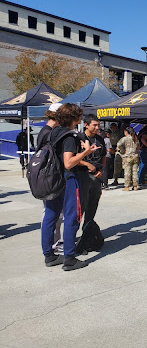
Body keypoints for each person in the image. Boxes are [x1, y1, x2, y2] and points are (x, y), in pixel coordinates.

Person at [41, 103, 99, 271]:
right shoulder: (69, 136)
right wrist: (86, 153)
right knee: (72, 218)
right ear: (75, 118)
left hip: (53, 180)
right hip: (68, 180)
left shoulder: (52, 133)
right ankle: (69, 258)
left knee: (50, 217)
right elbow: (68, 163)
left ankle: (49, 255)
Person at [37, 103, 63, 253]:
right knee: (51, 214)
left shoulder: (46, 131)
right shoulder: (48, 133)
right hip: (49, 177)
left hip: (48, 176)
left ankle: (53, 242)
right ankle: (51, 245)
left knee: (54, 214)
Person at [76, 115, 106, 236]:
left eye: (98, 125)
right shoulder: (78, 138)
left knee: (93, 205)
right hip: (82, 176)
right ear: (86, 125)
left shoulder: (100, 139)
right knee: (80, 207)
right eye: (94, 125)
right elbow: (71, 158)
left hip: (96, 177)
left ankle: (87, 231)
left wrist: (101, 169)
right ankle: (72, 236)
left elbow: (103, 156)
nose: (97, 128)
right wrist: (87, 164)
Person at [117, 127, 140, 191]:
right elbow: (138, 148)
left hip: (128, 156)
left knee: (127, 172)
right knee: (135, 172)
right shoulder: (136, 138)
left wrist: (122, 150)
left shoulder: (125, 138)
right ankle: (135, 186)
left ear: (126, 132)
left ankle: (127, 186)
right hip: (135, 156)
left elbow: (119, 145)